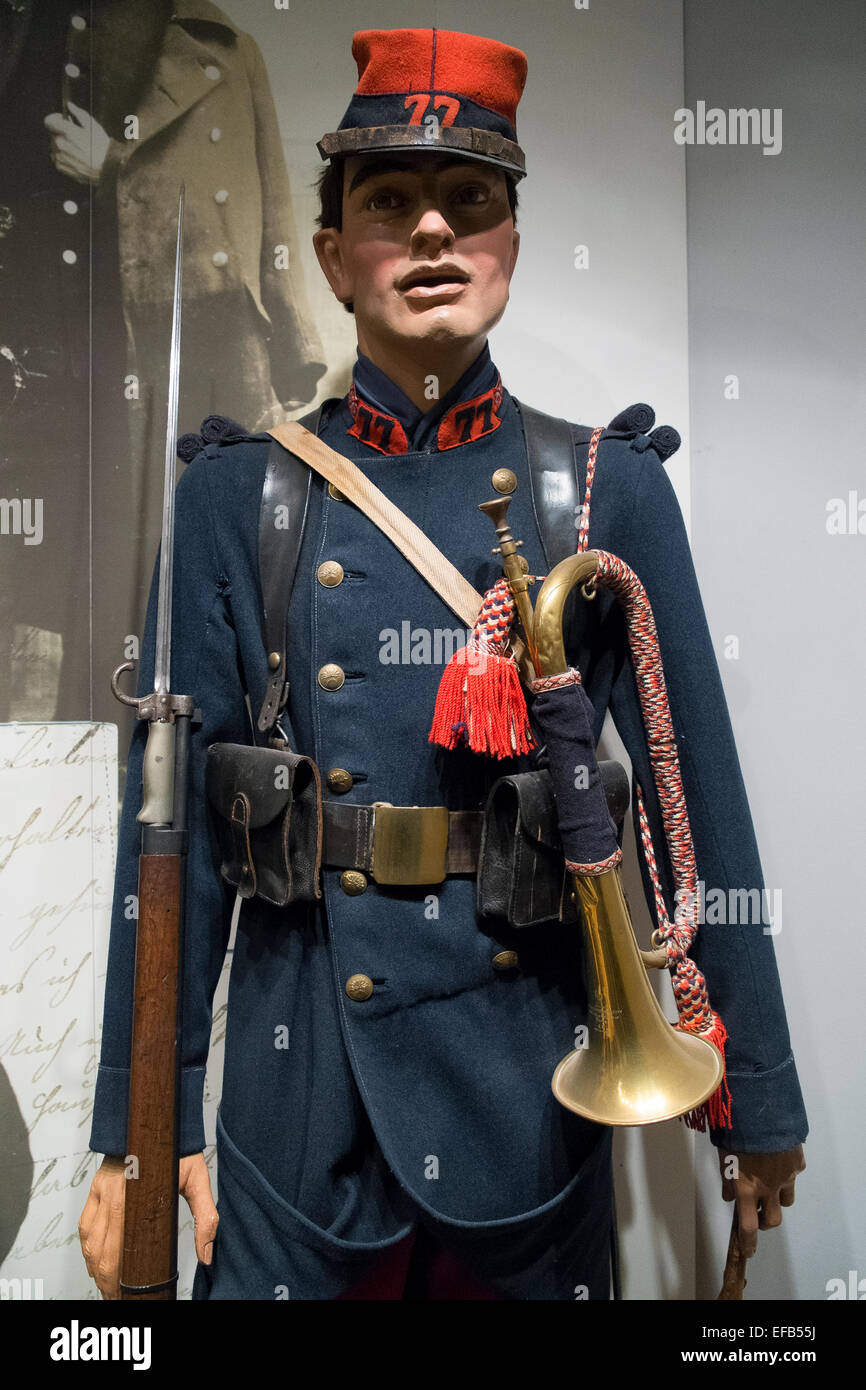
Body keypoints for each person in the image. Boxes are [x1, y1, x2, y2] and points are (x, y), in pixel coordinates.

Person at [80, 26, 807, 1301]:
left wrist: (755, 1095)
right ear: (330, 252)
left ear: (509, 248)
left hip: (530, 1085)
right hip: (294, 1100)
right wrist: (139, 1128)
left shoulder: (601, 489)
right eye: (389, 203)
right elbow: (171, 848)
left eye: (469, 202)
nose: (429, 232)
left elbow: (700, 811)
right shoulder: (235, 496)